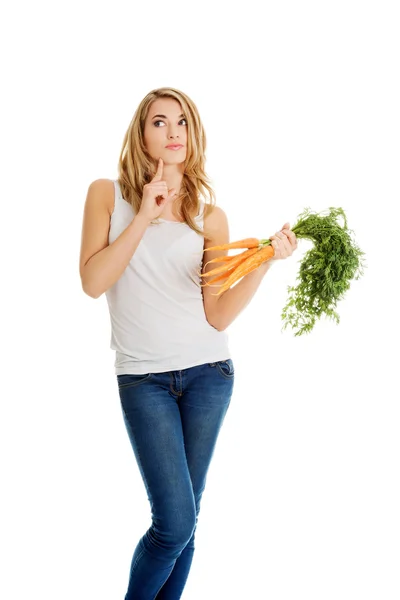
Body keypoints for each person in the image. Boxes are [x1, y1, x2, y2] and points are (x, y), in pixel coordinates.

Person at [79, 87, 297, 599]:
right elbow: (93, 282)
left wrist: (263, 261)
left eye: (182, 122)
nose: (173, 131)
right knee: (173, 524)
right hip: (143, 380)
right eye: (160, 122)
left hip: (208, 377)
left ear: (193, 134)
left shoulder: (210, 216)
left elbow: (216, 313)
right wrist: (145, 218)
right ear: (142, 133)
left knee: (188, 524)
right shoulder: (107, 196)